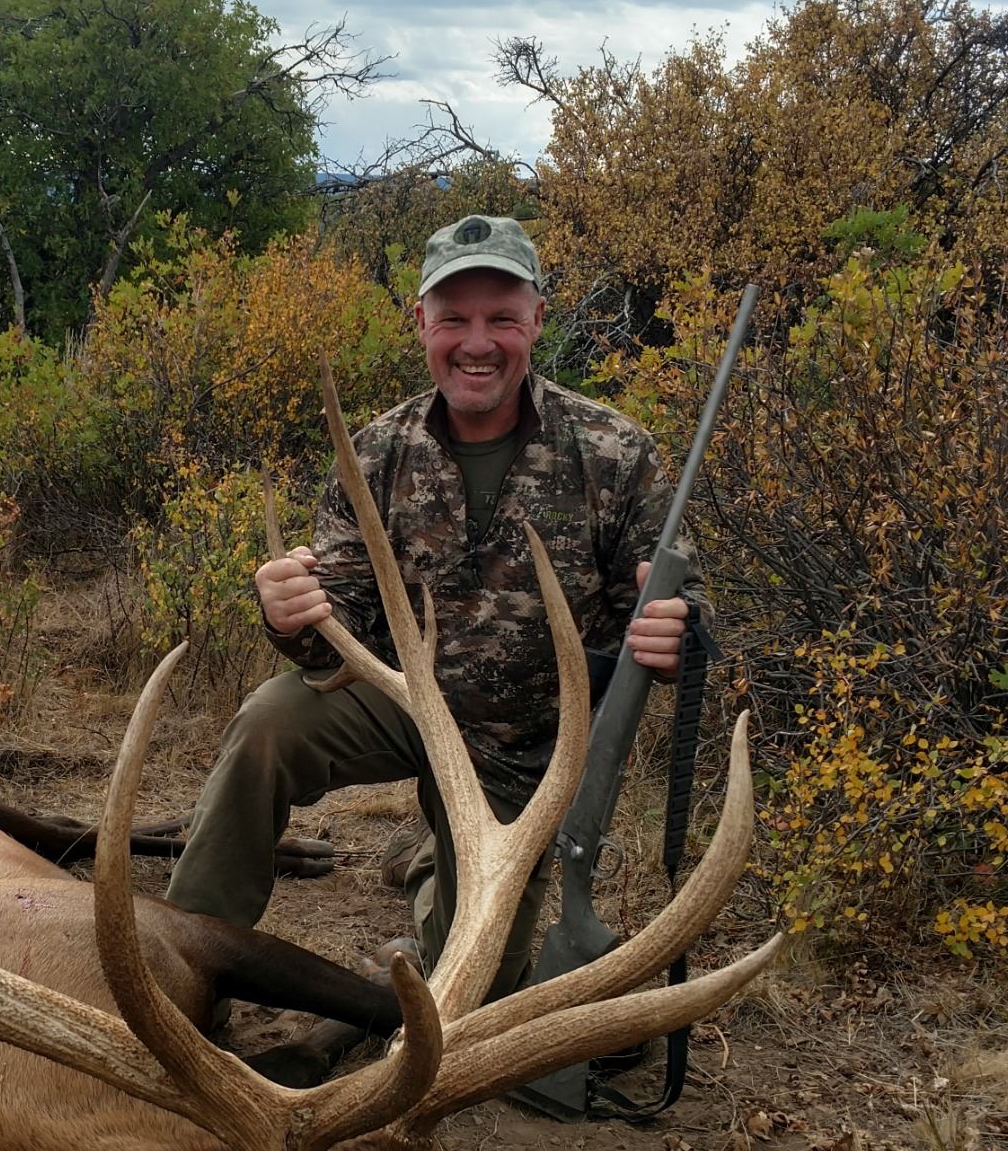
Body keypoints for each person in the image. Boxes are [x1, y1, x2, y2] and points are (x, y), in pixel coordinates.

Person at [164, 214, 711, 995]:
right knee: (267, 725)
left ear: (537, 320)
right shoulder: (374, 452)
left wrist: (679, 635)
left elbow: (684, 609)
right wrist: (290, 614)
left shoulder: (615, 453)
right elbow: (335, 632)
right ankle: (178, 961)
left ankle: (432, 863)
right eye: (454, 318)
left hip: (520, 754)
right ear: (420, 321)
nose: (477, 343)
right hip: (402, 703)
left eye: (501, 319)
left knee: (471, 990)